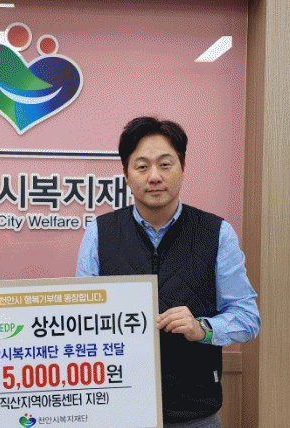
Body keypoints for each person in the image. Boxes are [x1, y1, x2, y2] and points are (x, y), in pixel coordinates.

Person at [76, 117, 260, 428]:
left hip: (194, 410)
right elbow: (81, 317)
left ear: (183, 167)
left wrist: (203, 328)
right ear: (126, 174)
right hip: (119, 406)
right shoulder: (100, 233)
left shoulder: (216, 233)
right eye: (142, 166)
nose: (155, 177)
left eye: (165, 164)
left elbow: (247, 318)